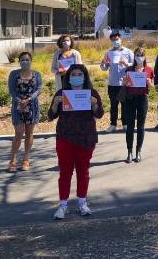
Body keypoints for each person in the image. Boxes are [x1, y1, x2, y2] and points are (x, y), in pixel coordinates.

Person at [48, 64, 104, 219]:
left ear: (85, 77)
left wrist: (94, 104)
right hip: (65, 137)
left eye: (80, 74)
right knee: (65, 172)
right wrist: (55, 104)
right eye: (74, 74)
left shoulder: (91, 93)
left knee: (83, 171)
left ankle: (82, 202)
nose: (77, 77)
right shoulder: (62, 93)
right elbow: (51, 115)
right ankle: (63, 204)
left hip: (85, 138)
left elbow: (99, 114)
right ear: (69, 77)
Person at [7, 51, 43, 172]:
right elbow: (11, 90)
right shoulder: (14, 74)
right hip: (18, 107)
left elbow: (39, 89)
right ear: (19, 61)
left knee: (29, 133)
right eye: (22, 60)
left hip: (32, 106)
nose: (25, 62)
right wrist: (19, 100)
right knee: (18, 133)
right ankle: (13, 159)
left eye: (27, 59)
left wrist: (29, 99)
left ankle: (26, 159)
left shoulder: (36, 74)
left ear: (31, 61)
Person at [124, 48, 155, 163]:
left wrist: (149, 83)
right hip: (130, 99)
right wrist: (124, 82)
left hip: (142, 99)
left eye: (141, 55)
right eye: (137, 55)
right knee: (130, 126)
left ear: (145, 57)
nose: (139, 57)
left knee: (141, 126)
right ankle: (129, 152)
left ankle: (138, 152)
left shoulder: (149, 70)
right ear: (134, 56)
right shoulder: (129, 69)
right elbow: (125, 84)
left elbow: (152, 86)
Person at [100, 32, 134, 132]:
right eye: (114, 39)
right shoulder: (108, 53)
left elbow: (134, 65)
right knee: (113, 105)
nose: (116, 41)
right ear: (111, 41)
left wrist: (127, 64)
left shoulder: (128, 52)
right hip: (112, 83)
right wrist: (102, 64)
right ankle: (113, 124)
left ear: (121, 39)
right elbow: (104, 68)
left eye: (117, 39)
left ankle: (125, 123)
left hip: (125, 83)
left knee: (125, 105)